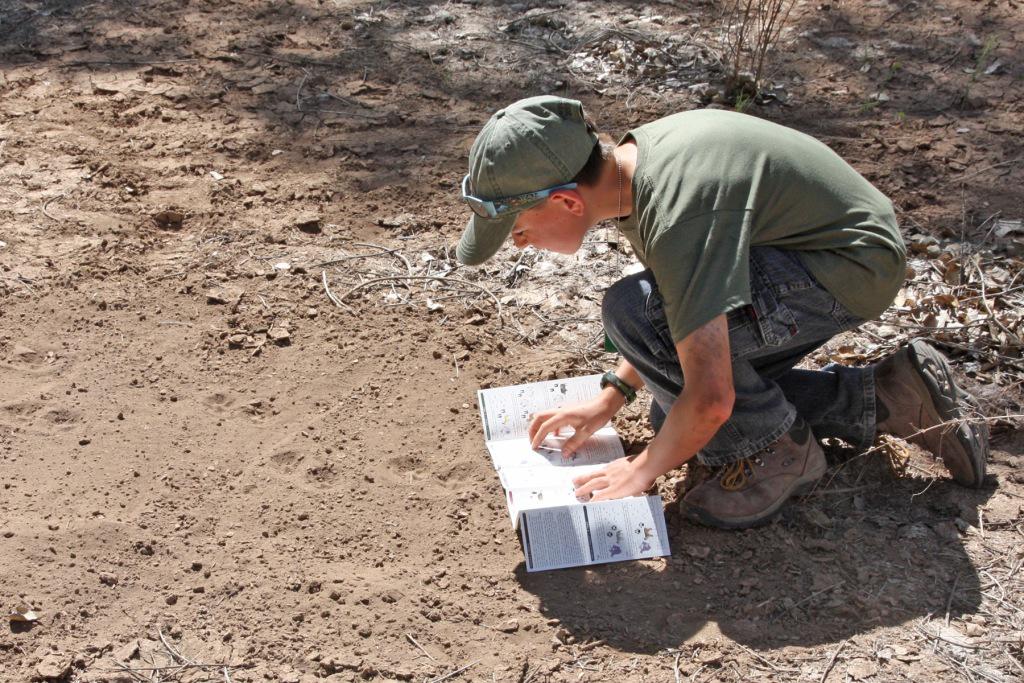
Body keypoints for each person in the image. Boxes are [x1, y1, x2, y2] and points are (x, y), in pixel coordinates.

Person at [456, 95, 988, 529]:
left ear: (568, 202)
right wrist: (612, 396)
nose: (521, 245)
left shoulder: (678, 212)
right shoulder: (632, 169)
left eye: (518, 231)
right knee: (674, 415)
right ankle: (888, 397)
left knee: (658, 356)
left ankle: (782, 454)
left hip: (848, 266)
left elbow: (710, 398)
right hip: (821, 252)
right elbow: (678, 301)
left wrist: (640, 470)